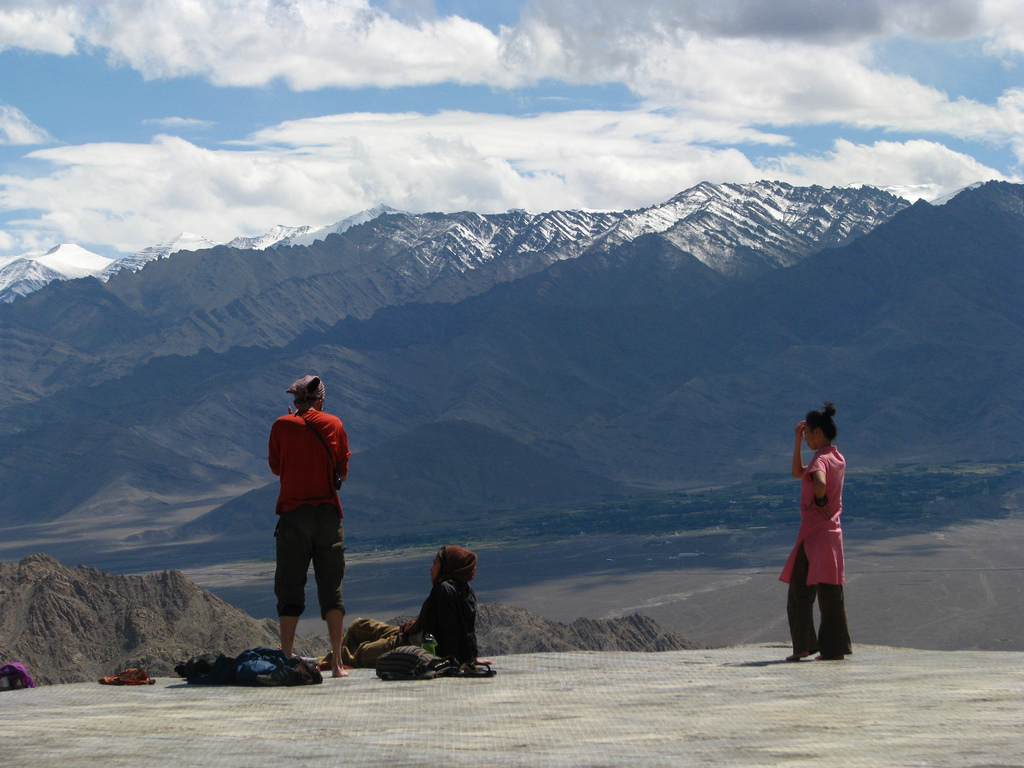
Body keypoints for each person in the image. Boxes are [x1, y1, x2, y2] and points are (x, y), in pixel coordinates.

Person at [268, 374, 350, 678]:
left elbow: (276, 467)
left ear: (296, 400)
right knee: (332, 587)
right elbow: (342, 468)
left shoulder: (280, 425)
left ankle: (288, 655)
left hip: (292, 516)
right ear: (321, 399)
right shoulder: (335, 424)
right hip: (328, 515)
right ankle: (338, 664)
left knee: (290, 585)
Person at [779, 402, 852, 661]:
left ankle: (803, 646)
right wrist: (799, 443)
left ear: (818, 433)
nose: (807, 438)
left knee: (799, 594)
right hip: (833, 535)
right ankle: (834, 649)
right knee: (831, 594)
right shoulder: (838, 458)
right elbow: (798, 472)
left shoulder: (820, 459)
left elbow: (816, 480)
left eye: (808, 434)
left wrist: (819, 500)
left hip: (812, 535)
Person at [338, 545, 487, 669]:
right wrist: (472, 657)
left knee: (359, 653)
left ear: (447, 566)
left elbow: (449, 632)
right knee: (359, 626)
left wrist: (453, 663)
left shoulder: (443, 589)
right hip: (410, 632)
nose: (431, 568)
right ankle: (336, 657)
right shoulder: (466, 591)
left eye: (435, 563)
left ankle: (332, 661)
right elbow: (469, 630)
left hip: (412, 645)